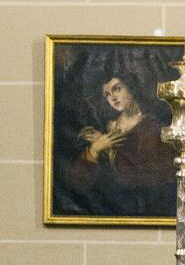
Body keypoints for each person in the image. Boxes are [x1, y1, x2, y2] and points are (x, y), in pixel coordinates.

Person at [65, 71, 177, 218]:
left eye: (117, 89)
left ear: (131, 88)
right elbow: (77, 183)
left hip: (141, 207)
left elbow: (153, 178)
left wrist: (110, 150)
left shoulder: (151, 127)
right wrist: (95, 149)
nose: (112, 97)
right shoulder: (106, 126)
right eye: (107, 94)